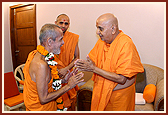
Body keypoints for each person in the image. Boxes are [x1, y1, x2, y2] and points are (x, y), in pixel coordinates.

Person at [74, 13, 144, 111]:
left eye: (100, 28)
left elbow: (122, 79)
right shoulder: (101, 42)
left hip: (119, 98)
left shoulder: (126, 44)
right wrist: (86, 66)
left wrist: (94, 68)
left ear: (113, 29)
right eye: (97, 28)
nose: (97, 32)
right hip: (101, 94)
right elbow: (93, 62)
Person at [23, 24, 84, 111]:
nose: (63, 42)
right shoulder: (41, 65)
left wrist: (64, 81)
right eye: (60, 39)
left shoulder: (38, 54)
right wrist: (68, 86)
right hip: (40, 109)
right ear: (50, 41)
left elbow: (44, 84)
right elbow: (43, 99)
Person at [54, 14, 80, 110]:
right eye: (61, 23)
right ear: (55, 23)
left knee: (71, 103)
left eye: (66, 23)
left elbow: (77, 57)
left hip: (68, 73)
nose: (63, 26)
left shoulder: (73, 38)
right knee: (57, 103)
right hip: (55, 74)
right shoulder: (50, 37)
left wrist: (66, 69)